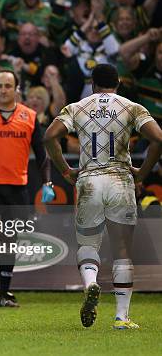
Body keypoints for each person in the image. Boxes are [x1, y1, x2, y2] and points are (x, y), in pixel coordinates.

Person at [43, 64, 162, 330]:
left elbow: (50, 136)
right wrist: (142, 173)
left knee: (88, 244)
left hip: (89, 181)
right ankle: (121, 317)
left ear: (93, 84)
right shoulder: (132, 107)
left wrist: (65, 170)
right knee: (122, 250)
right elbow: (158, 139)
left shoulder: (78, 106)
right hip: (120, 181)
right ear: (118, 83)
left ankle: (91, 283)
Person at [0, 70, 53, 308]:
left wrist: (47, 183)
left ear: (17, 89)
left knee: (9, 238)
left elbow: (43, 155)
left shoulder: (30, 116)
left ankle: (4, 291)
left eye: (8, 86)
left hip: (16, 186)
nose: (3, 90)